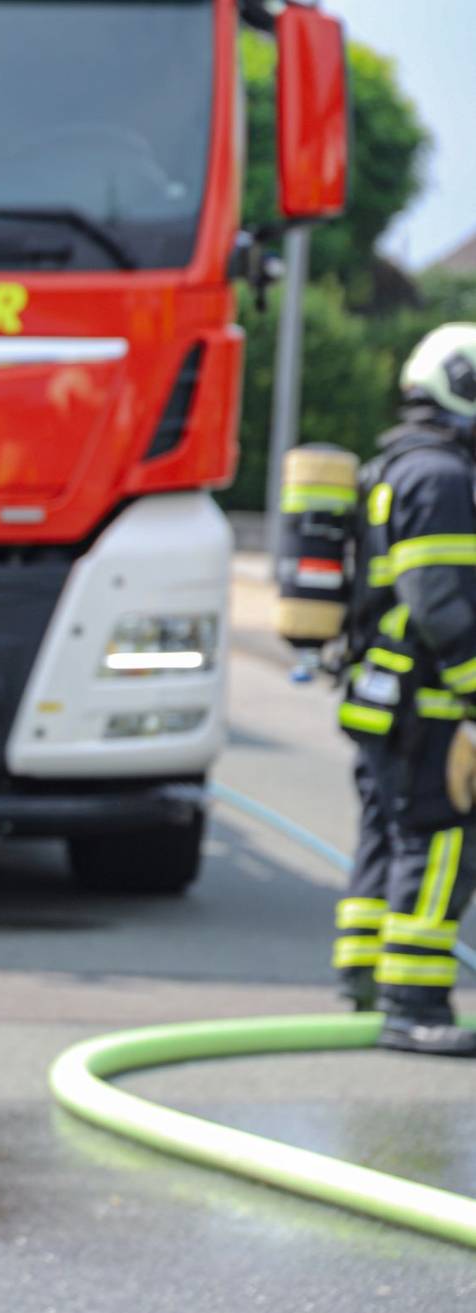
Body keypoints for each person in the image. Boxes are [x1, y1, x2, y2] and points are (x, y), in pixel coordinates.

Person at [335, 323, 476, 1056]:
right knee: (441, 838)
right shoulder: (445, 477)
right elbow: (443, 602)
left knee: (387, 834)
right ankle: (414, 1003)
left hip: (383, 698)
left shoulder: (396, 464)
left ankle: (363, 976)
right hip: (428, 702)